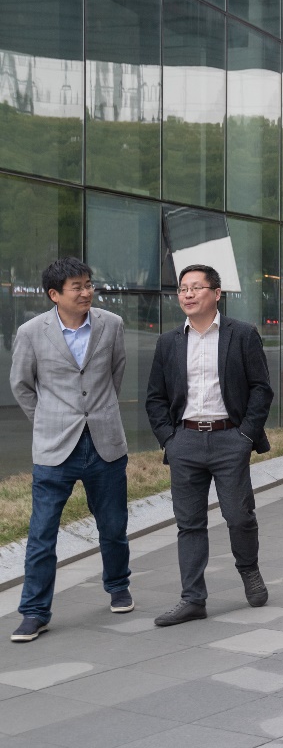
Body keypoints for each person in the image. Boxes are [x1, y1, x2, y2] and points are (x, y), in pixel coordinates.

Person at [9, 258, 131, 643]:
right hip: (54, 449)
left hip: (105, 442)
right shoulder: (31, 332)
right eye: (77, 286)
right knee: (42, 534)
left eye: (88, 284)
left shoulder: (112, 324)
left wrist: (98, 412)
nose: (86, 292)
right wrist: (49, 419)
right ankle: (34, 612)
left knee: (113, 525)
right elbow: (21, 385)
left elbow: (116, 374)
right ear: (54, 294)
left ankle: (118, 585)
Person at [146, 264, 274, 626]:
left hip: (229, 438)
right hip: (184, 441)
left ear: (216, 293)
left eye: (196, 287)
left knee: (238, 515)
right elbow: (155, 397)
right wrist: (169, 439)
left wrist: (245, 435)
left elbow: (261, 389)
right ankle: (193, 598)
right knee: (189, 523)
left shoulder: (242, 334)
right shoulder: (169, 342)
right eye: (183, 288)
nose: (187, 294)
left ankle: (248, 569)